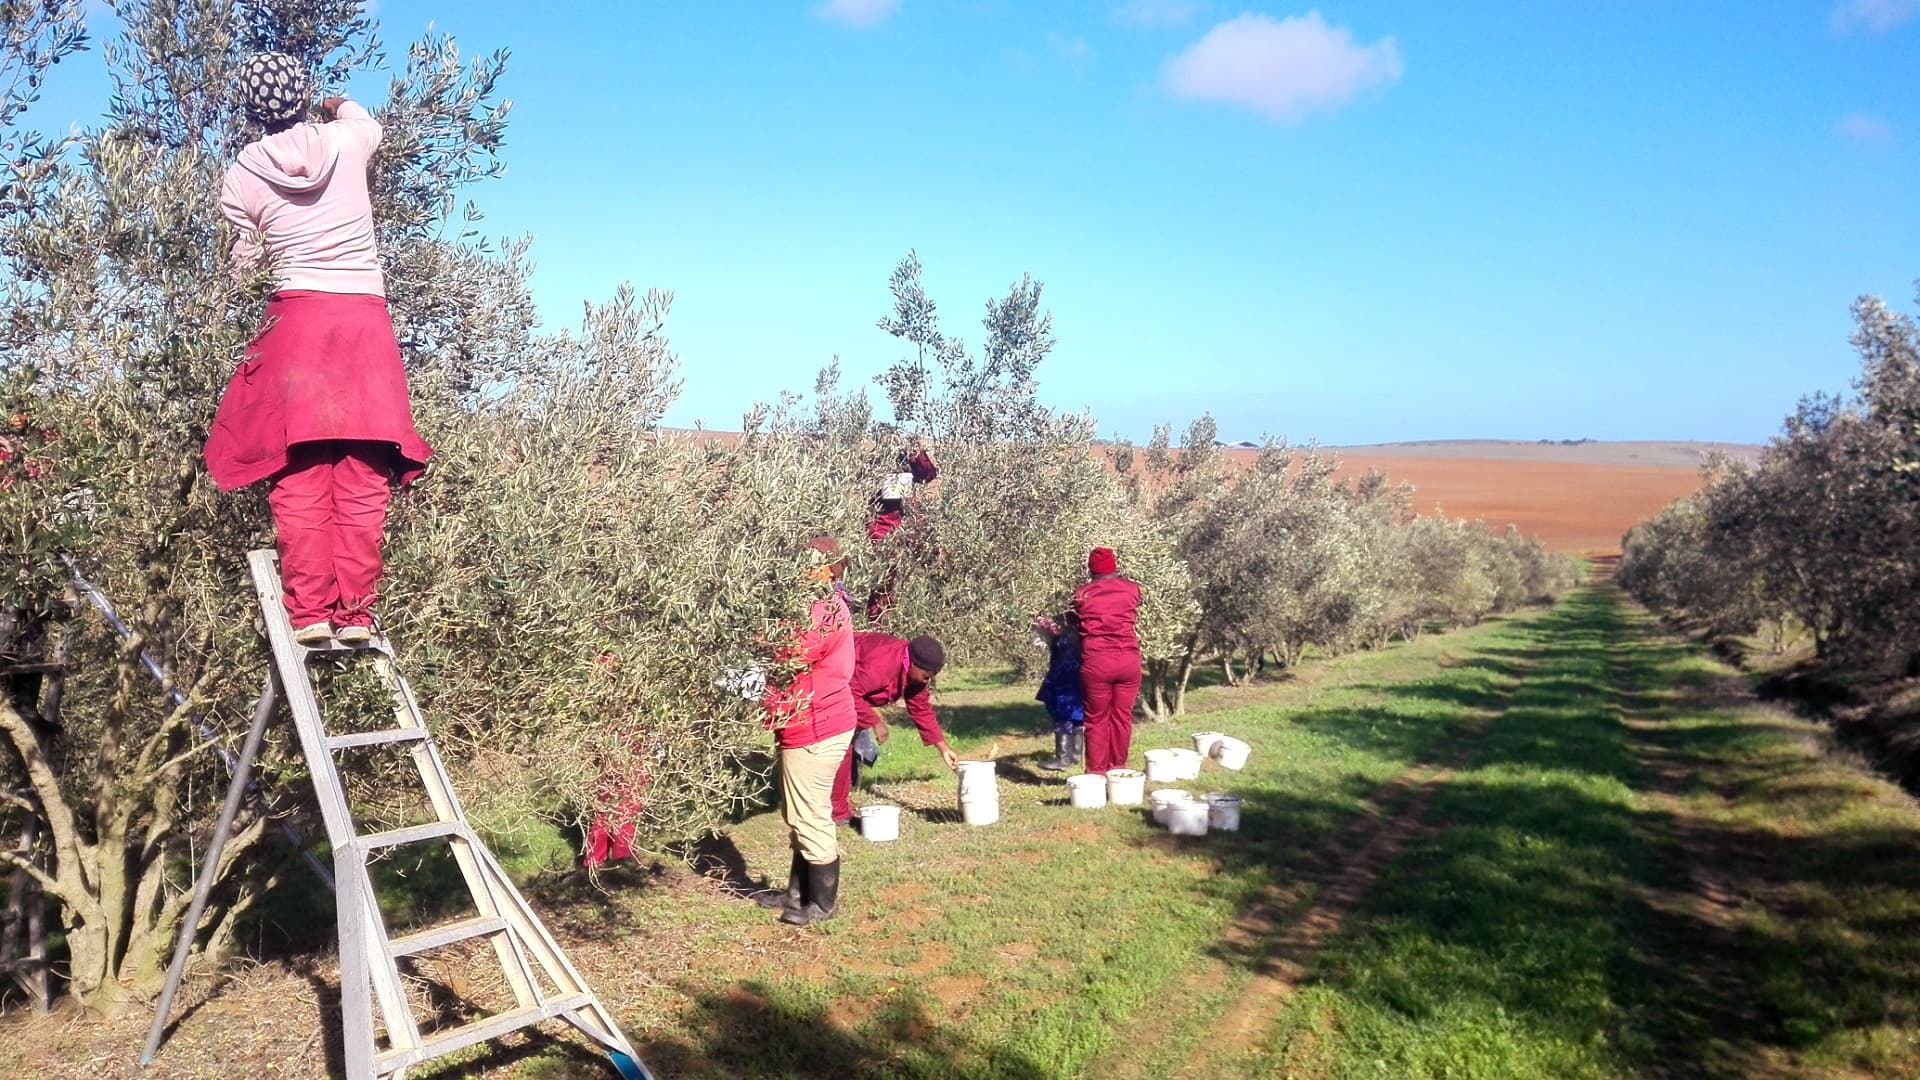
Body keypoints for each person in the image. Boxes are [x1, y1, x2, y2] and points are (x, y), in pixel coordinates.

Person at [204, 53, 431, 646]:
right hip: (362, 325)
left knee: (299, 471)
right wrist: (335, 104)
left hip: (296, 323)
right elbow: (369, 122)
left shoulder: (242, 173)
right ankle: (355, 615)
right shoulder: (347, 141)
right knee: (361, 472)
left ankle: (309, 614)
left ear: (252, 112)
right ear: (303, 98)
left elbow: (243, 264)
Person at [753, 536, 857, 926]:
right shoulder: (822, 604)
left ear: (826, 569)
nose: (799, 568)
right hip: (809, 720)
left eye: (808, 562)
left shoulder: (824, 608)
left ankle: (822, 904)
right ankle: (797, 892)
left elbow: (792, 651)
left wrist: (750, 634)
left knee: (810, 813)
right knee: (799, 810)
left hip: (815, 724)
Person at [831, 632, 958, 826]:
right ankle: (837, 812)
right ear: (913, 664)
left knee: (846, 743)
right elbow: (849, 689)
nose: (926, 682)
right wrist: (874, 722)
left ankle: (839, 805)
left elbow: (921, 708)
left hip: (846, 691)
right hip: (828, 678)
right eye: (926, 676)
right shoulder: (883, 663)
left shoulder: (912, 672)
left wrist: (943, 748)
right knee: (840, 745)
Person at [1073, 547, 1142, 775]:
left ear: (1090, 569)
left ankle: (1096, 773)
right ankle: (1118, 770)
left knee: (1096, 719)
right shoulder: (1132, 589)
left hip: (1097, 663)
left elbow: (1074, 620)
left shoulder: (1082, 594)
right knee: (1122, 717)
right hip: (1128, 661)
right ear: (1114, 566)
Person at [863, 441, 939, 623]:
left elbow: (930, 474)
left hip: (905, 528)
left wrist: (919, 453)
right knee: (885, 579)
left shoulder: (910, 462)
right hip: (884, 531)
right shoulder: (878, 466)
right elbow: (893, 496)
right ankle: (879, 620)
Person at [1033, 612, 1086, 771]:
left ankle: (1062, 759)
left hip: (1063, 677)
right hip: (1079, 676)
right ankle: (1075, 756)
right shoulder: (1083, 629)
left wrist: (1038, 617)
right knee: (1078, 715)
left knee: (1062, 715)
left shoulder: (1063, 631)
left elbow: (1044, 624)